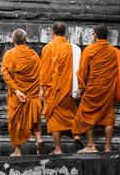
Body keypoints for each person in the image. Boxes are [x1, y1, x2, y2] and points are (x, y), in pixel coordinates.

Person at [72, 24, 119, 153]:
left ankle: (91, 146)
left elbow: (83, 70)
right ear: (107, 36)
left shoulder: (89, 49)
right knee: (109, 116)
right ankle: (107, 147)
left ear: (95, 35)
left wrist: (81, 86)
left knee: (86, 114)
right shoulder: (114, 51)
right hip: (108, 89)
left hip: (93, 88)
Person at [39, 22, 83, 154]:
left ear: (52, 32)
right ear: (65, 33)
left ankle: (58, 149)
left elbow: (44, 70)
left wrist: (41, 88)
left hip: (53, 90)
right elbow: (79, 69)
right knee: (70, 114)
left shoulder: (48, 48)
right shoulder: (73, 48)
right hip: (68, 89)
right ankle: (76, 136)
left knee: (53, 118)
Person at [1, 29, 46, 156]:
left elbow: (5, 74)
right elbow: (40, 73)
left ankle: (18, 151)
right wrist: (39, 90)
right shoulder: (34, 55)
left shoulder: (9, 54)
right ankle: (39, 141)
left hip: (17, 95)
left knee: (16, 121)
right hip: (32, 93)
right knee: (35, 118)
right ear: (26, 39)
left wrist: (16, 90)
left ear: (12, 40)